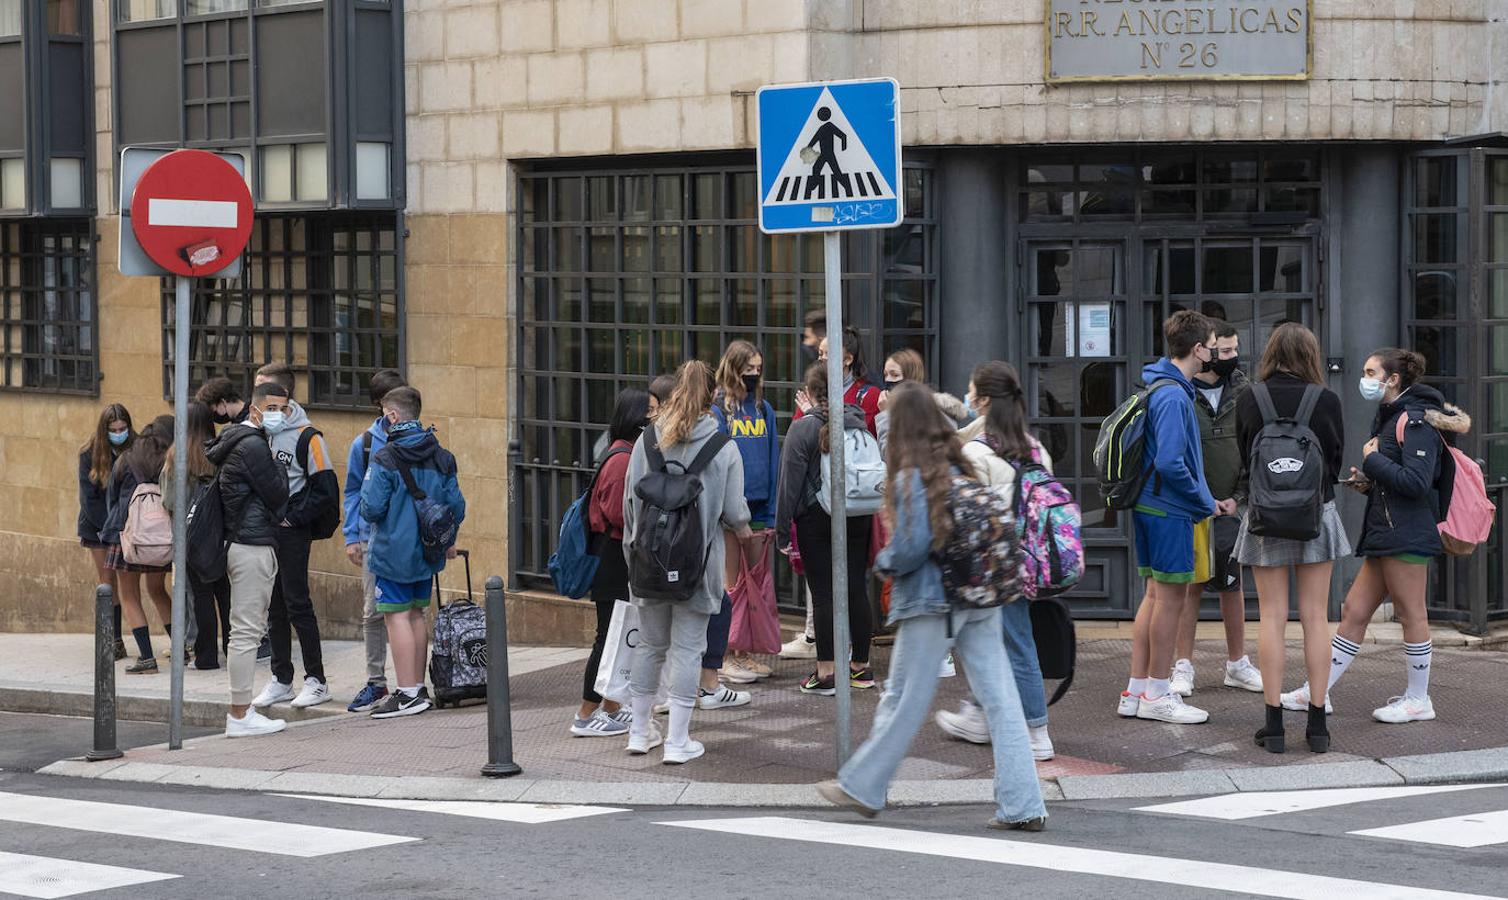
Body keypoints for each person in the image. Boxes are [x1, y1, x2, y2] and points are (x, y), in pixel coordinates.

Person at [818, 382, 1047, 831]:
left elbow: (911, 548)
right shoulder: (961, 467)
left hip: (931, 601)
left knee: (903, 698)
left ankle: (863, 787)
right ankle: (1024, 804)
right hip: (980, 596)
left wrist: (883, 563)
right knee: (1001, 701)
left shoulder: (910, 478)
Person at [1286, 348, 1465, 726]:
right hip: (1388, 530)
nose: (1364, 379)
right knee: (1353, 610)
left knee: (1411, 613)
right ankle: (1317, 691)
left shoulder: (1414, 421)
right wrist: (1370, 481)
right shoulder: (1392, 417)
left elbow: (1417, 484)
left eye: (1371, 372)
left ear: (1393, 379)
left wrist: (1373, 462)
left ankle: (1419, 699)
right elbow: (1399, 479)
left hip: (1408, 532)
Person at [621, 361, 751, 764]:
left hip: (647, 561)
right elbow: (735, 514)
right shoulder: (723, 447)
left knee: (649, 644)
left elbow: (630, 503)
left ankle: (640, 732)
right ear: (714, 396)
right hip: (699, 564)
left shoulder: (646, 440)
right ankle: (678, 741)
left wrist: (635, 551)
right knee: (688, 650)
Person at [1233, 323, 1348, 753]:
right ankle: (1318, 726)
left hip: (1265, 516)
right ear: (1311, 355)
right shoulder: (1326, 399)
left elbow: (1245, 456)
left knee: (1272, 618)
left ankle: (1274, 726)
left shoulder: (1251, 398)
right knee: (1316, 617)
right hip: (1317, 512)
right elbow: (1333, 460)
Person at [933, 361, 1056, 761]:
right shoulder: (1035, 446)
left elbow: (966, 513)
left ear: (983, 400)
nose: (966, 396)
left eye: (970, 390)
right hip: (1028, 559)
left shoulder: (974, 452)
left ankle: (1035, 731)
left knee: (1010, 644)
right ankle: (982, 713)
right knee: (996, 642)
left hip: (989, 564)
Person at [1118, 310, 1220, 725]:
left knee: (1154, 597)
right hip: (1171, 510)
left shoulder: (1159, 386)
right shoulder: (1176, 395)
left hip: (1150, 504)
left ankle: (1137, 689)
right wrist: (1204, 500)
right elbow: (1172, 463)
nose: (1213, 353)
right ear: (1196, 349)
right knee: (1171, 601)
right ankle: (1159, 692)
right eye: (1211, 347)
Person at [360, 386, 467, 719]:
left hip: (393, 550)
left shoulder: (385, 458)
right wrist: (448, 539)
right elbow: (457, 506)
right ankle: (417, 688)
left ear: (393, 415)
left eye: (384, 414)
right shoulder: (442, 455)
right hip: (427, 550)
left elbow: (372, 507)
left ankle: (407, 693)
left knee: (396, 615)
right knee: (417, 614)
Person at [1171, 319, 1263, 698]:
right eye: (1223, 350)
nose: (1231, 356)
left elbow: (1255, 449)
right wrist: (1200, 498)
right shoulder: (1180, 391)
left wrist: (1237, 499)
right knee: (1189, 586)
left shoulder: (1246, 391)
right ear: (1204, 350)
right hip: (1192, 506)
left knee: (1232, 584)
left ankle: (1237, 663)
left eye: (1234, 349)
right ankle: (1182, 666)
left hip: (1231, 506)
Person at [777, 362, 875, 695]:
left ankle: (827, 672)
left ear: (811, 391)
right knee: (856, 589)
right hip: (859, 512)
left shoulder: (804, 428)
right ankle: (861, 667)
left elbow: (789, 484)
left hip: (817, 516)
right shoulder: (858, 421)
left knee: (823, 594)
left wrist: (780, 530)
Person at [249, 363, 339, 711]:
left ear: (284, 398)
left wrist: (292, 518)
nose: (256, 401)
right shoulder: (258, 431)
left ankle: (316, 680)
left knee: (298, 603)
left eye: (264, 392)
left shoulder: (308, 437)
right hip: (263, 531)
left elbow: (326, 489)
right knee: (274, 607)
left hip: (291, 532)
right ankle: (281, 678)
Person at [206, 382, 290, 737]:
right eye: (272, 407)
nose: (279, 415)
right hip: (251, 544)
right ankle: (240, 714)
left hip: (243, 542)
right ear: (255, 410)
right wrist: (281, 471)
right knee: (246, 633)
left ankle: (241, 712)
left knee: (245, 630)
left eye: (283, 408)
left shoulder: (240, 441)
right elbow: (278, 493)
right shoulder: (254, 446)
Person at [571, 388, 648, 737]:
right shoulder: (621, 459)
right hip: (612, 556)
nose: (655, 418)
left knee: (617, 636)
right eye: (650, 411)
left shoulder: (623, 453)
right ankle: (585, 714)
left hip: (615, 555)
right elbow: (618, 513)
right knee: (608, 638)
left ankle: (611, 707)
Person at [710, 340, 780, 687]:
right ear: (732, 368)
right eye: (747, 368)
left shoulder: (763, 408)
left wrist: (771, 512)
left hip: (758, 506)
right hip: (729, 509)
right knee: (731, 584)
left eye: (758, 368)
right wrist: (727, 511)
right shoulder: (719, 411)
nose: (753, 374)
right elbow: (718, 463)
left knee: (753, 583)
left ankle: (742, 652)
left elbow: (772, 459)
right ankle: (723, 655)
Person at [342, 368, 408, 712]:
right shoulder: (365, 444)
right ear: (380, 405)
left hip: (408, 537)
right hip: (372, 537)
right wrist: (352, 536)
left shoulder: (419, 437)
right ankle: (376, 681)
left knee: (409, 610)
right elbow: (352, 490)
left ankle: (410, 683)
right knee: (373, 611)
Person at [102, 414, 177, 674]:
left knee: (129, 595)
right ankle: (181, 650)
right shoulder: (170, 462)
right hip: (159, 540)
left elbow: (112, 497)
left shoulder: (125, 459)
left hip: (128, 537)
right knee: (158, 591)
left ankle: (146, 658)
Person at [162, 401, 233, 670]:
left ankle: (206, 656)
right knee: (224, 592)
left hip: (188, 535)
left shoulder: (175, 455)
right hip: (218, 532)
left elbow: (169, 501)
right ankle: (231, 647)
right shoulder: (218, 452)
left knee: (200, 595)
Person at [79, 404, 135, 661]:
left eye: (123, 428)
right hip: (99, 528)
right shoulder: (89, 454)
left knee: (127, 586)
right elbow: (89, 499)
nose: (119, 433)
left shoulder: (134, 448)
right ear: (105, 431)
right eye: (114, 430)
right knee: (106, 583)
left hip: (127, 526)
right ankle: (113, 639)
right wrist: (108, 529)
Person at [874, 348, 969, 450]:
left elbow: (890, 454)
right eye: (885, 374)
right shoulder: (902, 409)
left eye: (895, 375)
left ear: (910, 378)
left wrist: (886, 415)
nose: (888, 380)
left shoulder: (930, 411)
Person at [799, 326, 882, 435]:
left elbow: (854, 438)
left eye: (828, 354)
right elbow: (798, 434)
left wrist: (812, 413)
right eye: (820, 353)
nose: (822, 359)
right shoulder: (813, 389)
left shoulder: (870, 395)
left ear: (847, 360)